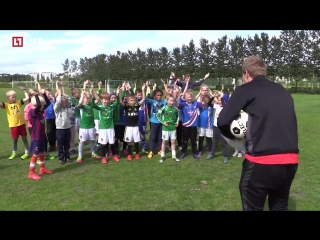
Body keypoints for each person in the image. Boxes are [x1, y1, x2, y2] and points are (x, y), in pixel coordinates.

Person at [217, 55, 299, 211]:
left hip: (261, 162)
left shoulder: (245, 89)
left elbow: (222, 121)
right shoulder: (283, 91)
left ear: (247, 73)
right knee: (280, 206)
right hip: (290, 161)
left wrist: (236, 139)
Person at [28, 89, 53, 180]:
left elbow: (48, 103)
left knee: (42, 153)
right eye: (41, 105)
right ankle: (31, 172)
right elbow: (39, 105)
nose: (43, 106)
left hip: (42, 137)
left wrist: (43, 94)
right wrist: (36, 95)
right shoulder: (33, 112)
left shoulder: (40, 111)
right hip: (36, 138)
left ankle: (42, 169)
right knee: (35, 155)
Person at [0, 88, 30, 160]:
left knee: (24, 139)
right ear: (8, 98)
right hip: (13, 126)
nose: (14, 98)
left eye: (15, 96)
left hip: (21, 124)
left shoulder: (18, 102)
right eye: (12, 97)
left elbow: (27, 98)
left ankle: (27, 152)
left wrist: (24, 91)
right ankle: (14, 153)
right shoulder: (6, 105)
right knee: (14, 140)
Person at [92, 87, 120, 164]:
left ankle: (114, 155)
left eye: (107, 99)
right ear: (101, 100)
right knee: (103, 143)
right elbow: (93, 105)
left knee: (112, 142)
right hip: (103, 128)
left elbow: (117, 103)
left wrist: (117, 94)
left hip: (111, 128)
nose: (106, 101)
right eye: (104, 99)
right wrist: (93, 95)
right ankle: (104, 157)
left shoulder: (111, 107)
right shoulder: (100, 107)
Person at [119, 83, 146, 160]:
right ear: (128, 101)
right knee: (129, 142)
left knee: (136, 141)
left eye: (134, 100)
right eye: (131, 100)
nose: (133, 101)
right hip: (128, 127)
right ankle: (129, 154)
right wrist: (120, 93)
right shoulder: (126, 107)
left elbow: (143, 99)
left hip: (135, 127)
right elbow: (121, 102)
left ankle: (137, 154)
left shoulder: (137, 106)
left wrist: (143, 90)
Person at [156, 94, 180, 163]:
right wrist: (163, 122)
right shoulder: (164, 108)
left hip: (173, 128)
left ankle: (174, 156)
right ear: (167, 101)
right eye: (170, 101)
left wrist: (177, 122)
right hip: (165, 128)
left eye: (173, 101)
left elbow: (178, 115)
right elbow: (158, 115)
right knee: (164, 142)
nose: (172, 102)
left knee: (173, 142)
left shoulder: (175, 109)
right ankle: (162, 156)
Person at [54, 88, 72, 164]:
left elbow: (70, 100)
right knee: (60, 145)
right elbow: (57, 102)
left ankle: (67, 156)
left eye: (65, 102)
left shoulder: (67, 108)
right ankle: (61, 158)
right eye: (63, 102)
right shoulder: (57, 109)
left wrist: (65, 95)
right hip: (60, 129)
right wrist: (59, 94)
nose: (65, 103)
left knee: (67, 144)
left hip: (67, 128)